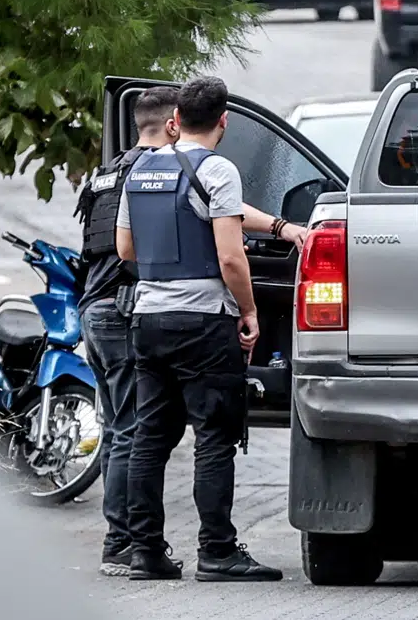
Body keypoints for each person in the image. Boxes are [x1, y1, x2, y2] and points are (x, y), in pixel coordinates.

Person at [117, 76, 288, 581]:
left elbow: (126, 249)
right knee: (214, 436)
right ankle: (217, 551)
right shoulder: (217, 170)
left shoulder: (140, 168)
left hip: (147, 319)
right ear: (223, 121)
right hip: (202, 321)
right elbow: (231, 258)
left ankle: (144, 551)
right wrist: (250, 311)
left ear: (174, 121)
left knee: (150, 436)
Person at [75, 86, 180, 577]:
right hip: (121, 312)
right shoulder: (156, 172)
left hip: (93, 311)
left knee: (120, 430)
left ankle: (121, 538)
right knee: (132, 430)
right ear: (174, 121)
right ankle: (123, 543)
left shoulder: (106, 173)